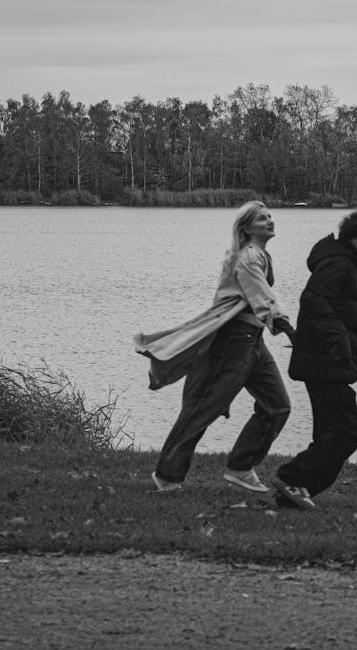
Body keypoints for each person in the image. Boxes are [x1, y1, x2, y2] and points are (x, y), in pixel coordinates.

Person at [133, 201, 295, 493]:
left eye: (270, 216)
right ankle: (167, 475)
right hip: (234, 341)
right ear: (247, 228)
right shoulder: (248, 257)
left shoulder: (258, 254)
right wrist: (289, 329)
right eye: (262, 218)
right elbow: (263, 298)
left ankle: (240, 467)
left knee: (277, 406)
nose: (270, 221)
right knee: (203, 407)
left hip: (253, 340)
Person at [272, 204, 357, 509]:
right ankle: (291, 477)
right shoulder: (339, 264)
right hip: (326, 362)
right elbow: (312, 300)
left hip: (324, 362)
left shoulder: (343, 262)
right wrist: (338, 340)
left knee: (328, 433)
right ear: (351, 237)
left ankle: (294, 493)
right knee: (349, 430)